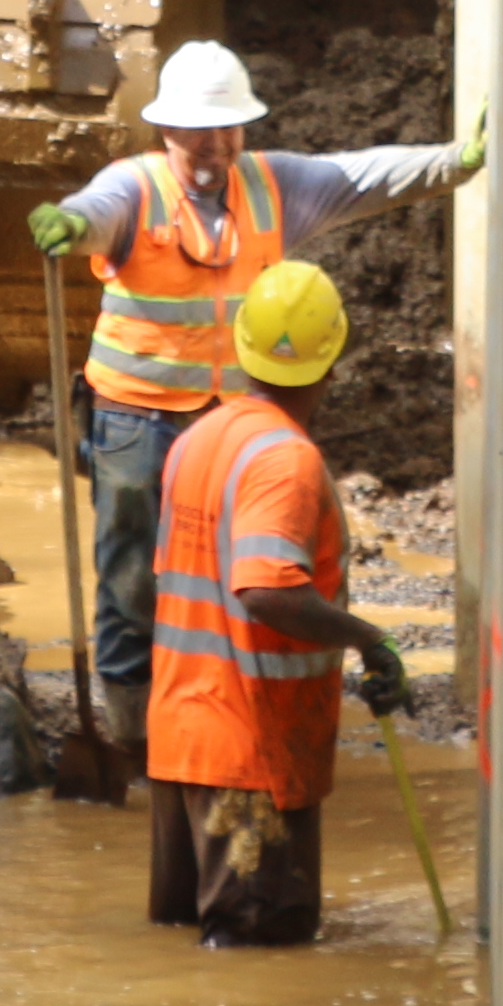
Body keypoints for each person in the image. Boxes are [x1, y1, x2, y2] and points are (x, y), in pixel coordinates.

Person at [27, 41, 481, 757]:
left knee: (238, 576)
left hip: (230, 424)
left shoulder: (272, 187)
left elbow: (363, 175)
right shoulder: (135, 187)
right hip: (135, 419)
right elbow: (96, 210)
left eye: (226, 130)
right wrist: (74, 224)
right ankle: (131, 736)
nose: (212, 147)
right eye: (196, 133)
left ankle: (218, 717)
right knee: (129, 579)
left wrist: (455, 160)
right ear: (165, 131)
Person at [142, 260, 414, 945]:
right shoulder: (284, 460)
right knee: (255, 963)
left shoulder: (199, 439)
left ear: (243, 348)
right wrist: (366, 638)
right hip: (249, 759)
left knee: (198, 952)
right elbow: (264, 588)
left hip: (183, 742)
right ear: (334, 362)